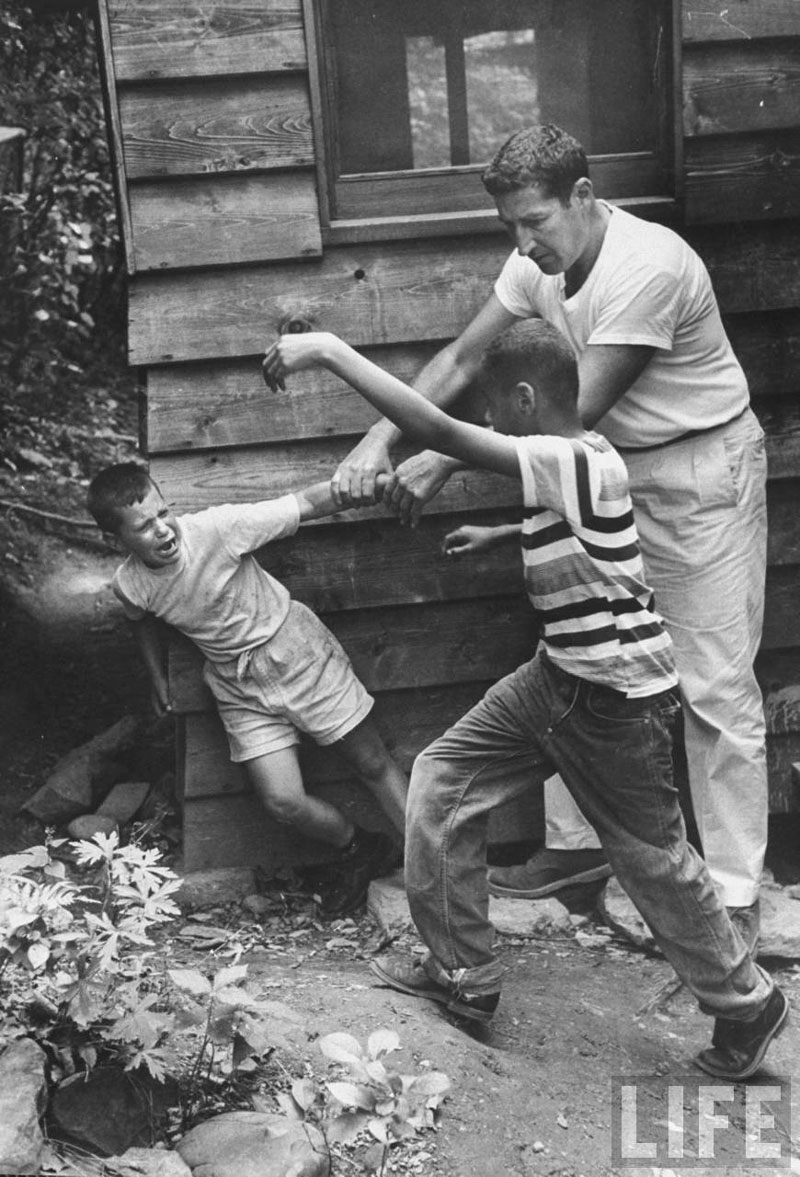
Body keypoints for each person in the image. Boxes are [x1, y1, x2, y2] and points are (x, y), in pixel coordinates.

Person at [262, 319, 787, 1080]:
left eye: (496, 410)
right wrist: (503, 534)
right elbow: (581, 531)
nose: (489, 423)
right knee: (442, 781)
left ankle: (746, 1001)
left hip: (617, 702)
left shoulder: (573, 457)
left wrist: (331, 351)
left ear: (526, 397)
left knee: (655, 863)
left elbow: (436, 427)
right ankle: (465, 977)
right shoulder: (575, 467)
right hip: (556, 679)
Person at [330, 123, 768, 950]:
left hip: (694, 470)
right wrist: (376, 444)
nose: (525, 244)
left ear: (583, 197)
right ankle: (576, 854)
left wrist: (439, 462)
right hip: (601, 476)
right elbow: (463, 359)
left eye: (536, 222)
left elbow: (579, 414)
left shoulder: (650, 266)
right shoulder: (537, 260)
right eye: (510, 228)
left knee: (712, 681)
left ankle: (736, 889)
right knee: (580, 664)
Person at [86, 462, 407, 918]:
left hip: (295, 652)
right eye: (144, 526)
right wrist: (156, 677)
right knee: (282, 800)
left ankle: (433, 865)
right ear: (115, 539)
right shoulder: (131, 583)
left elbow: (307, 503)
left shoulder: (218, 529)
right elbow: (141, 620)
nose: (163, 530)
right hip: (236, 684)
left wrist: (372, 485)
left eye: (164, 513)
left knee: (372, 762)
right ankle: (360, 847)